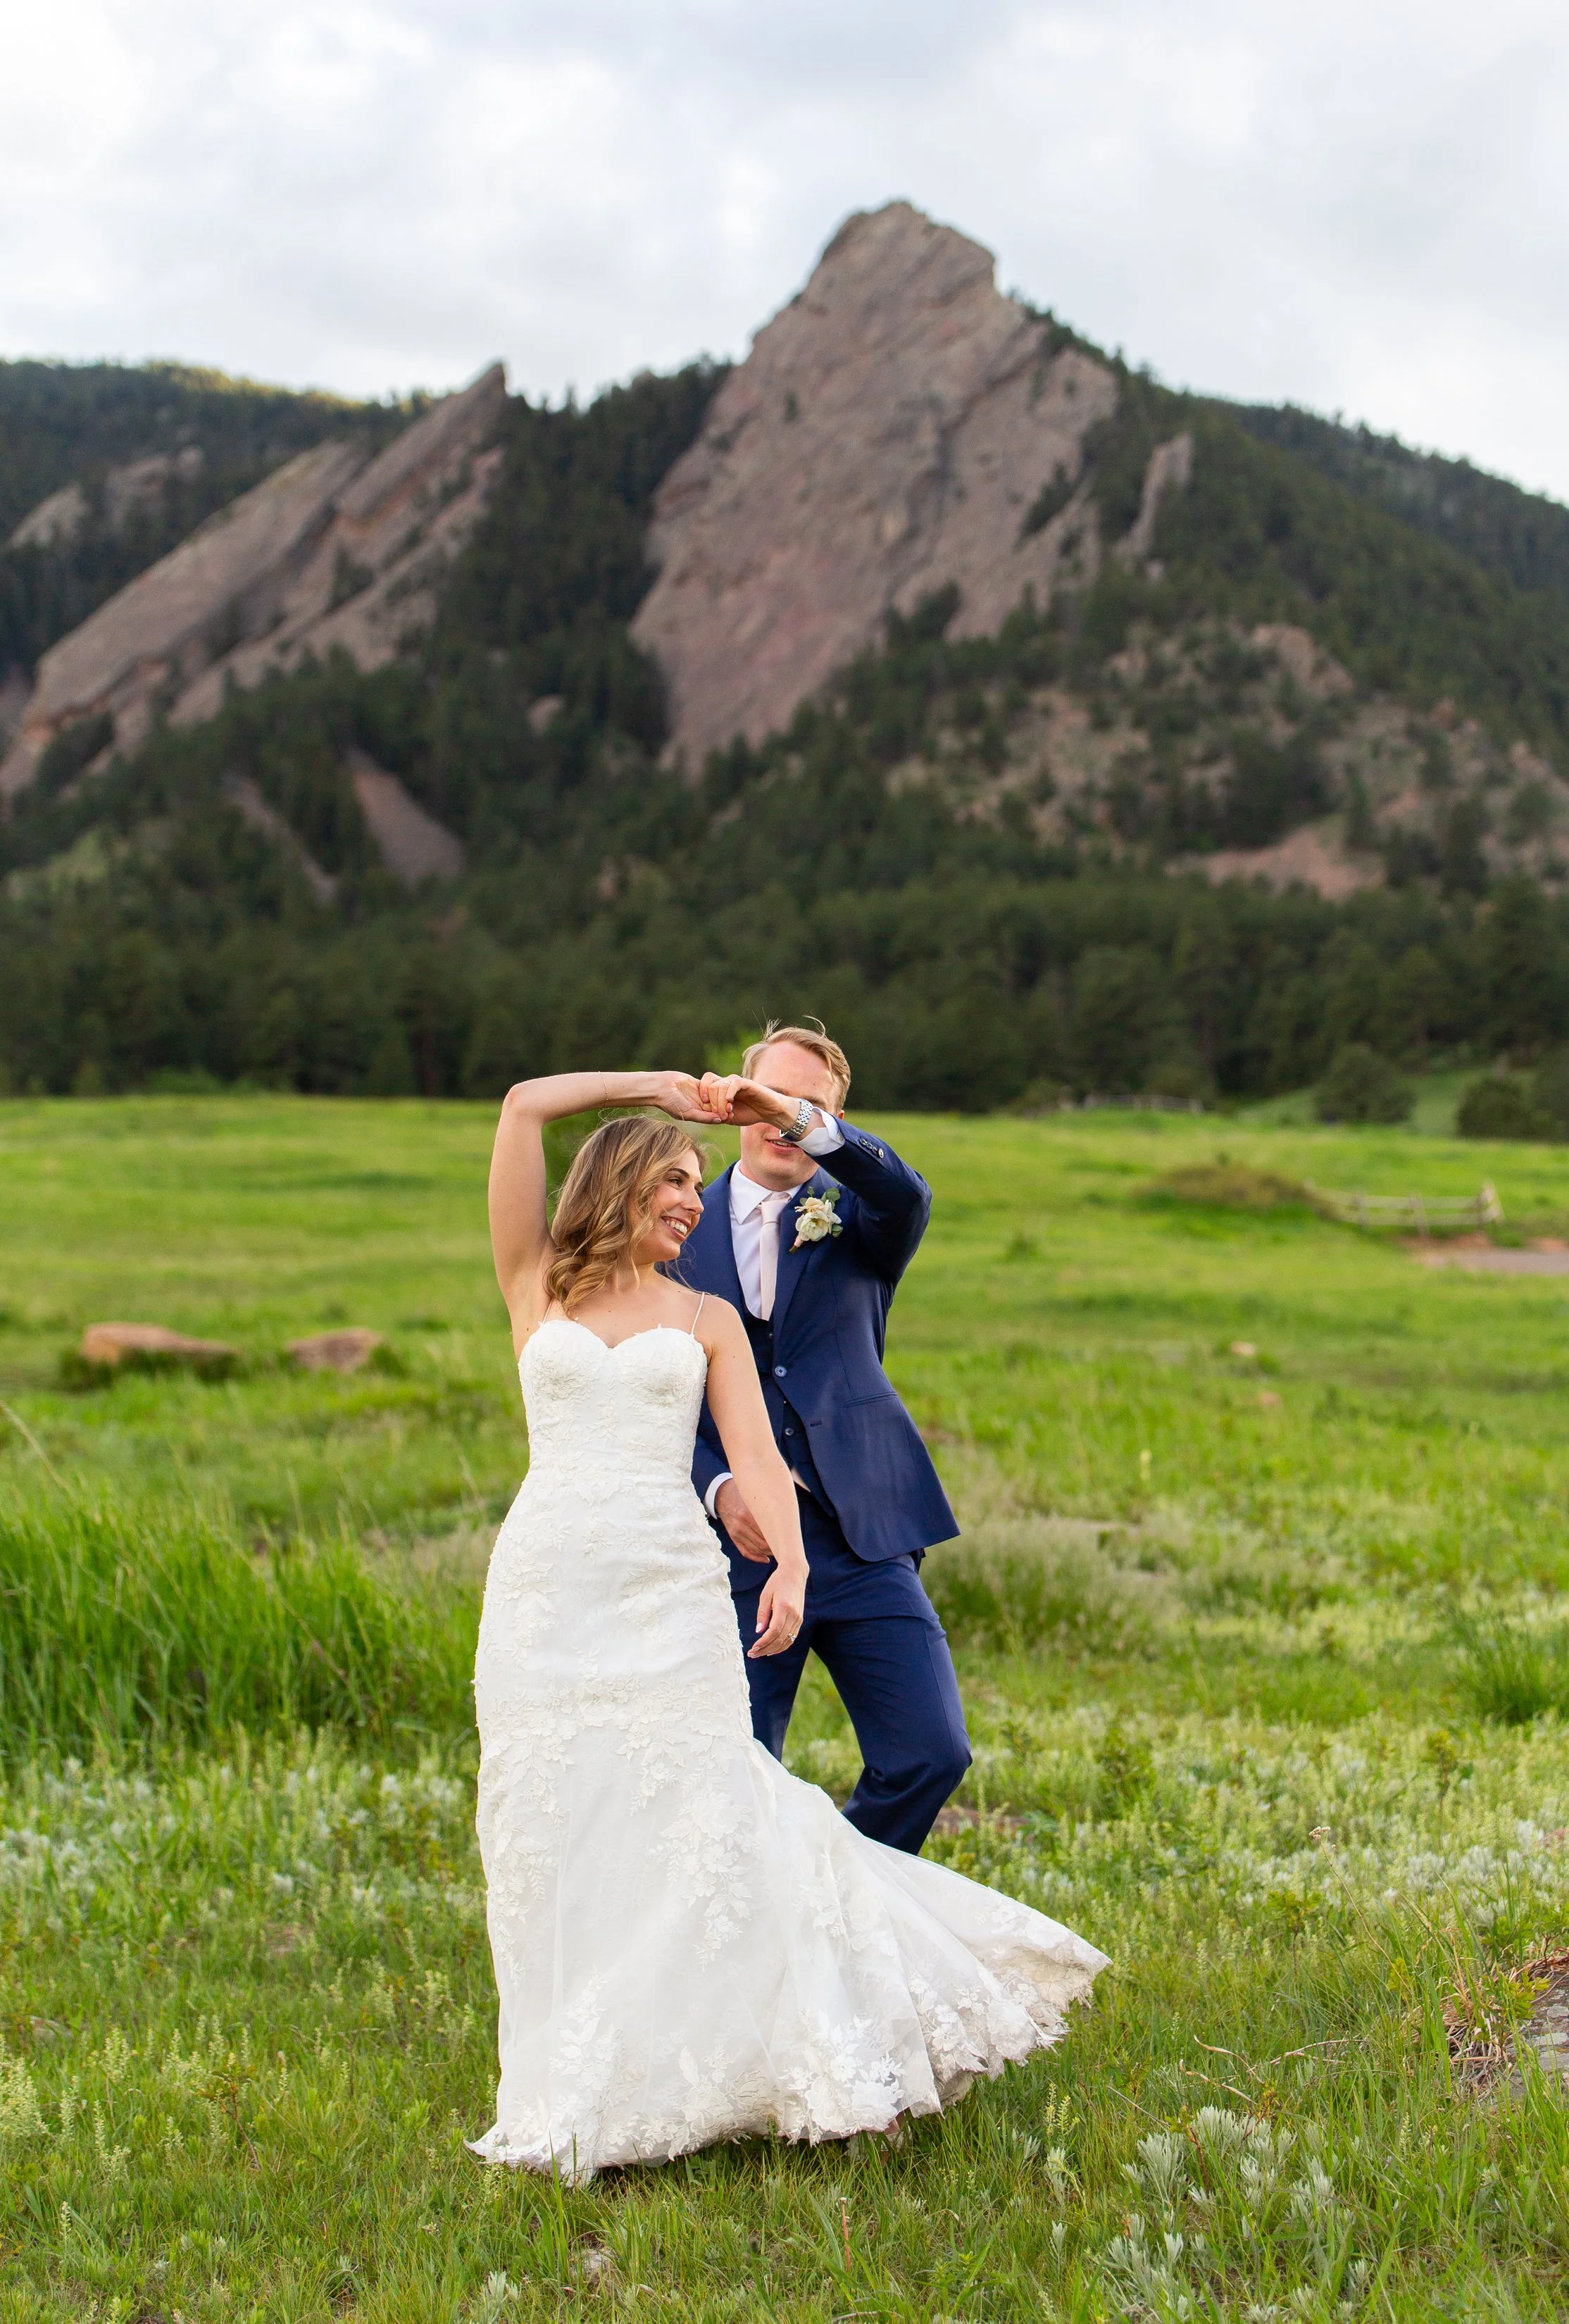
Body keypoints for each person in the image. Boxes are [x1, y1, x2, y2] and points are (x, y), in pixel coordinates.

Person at [468, 1068, 1107, 2180]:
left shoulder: (705, 1319)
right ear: (617, 1180)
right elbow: (524, 1105)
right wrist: (658, 1088)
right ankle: (573, 2070)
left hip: (671, 1585)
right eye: (673, 1181)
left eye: (696, 1185)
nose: (690, 1203)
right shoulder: (537, 1291)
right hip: (545, 1595)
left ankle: (817, 2002)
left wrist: (796, 1566)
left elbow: (757, 1454)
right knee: (554, 1826)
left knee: (713, 1805)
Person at [683, 1023, 968, 1853]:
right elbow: (649, 1382)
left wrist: (796, 1114)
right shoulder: (672, 1224)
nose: (780, 1121)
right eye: (766, 1097)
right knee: (734, 1767)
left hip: (862, 1531)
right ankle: (750, 1943)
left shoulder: (866, 1215)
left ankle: (850, 1903)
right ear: (732, 1100)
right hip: (730, 1544)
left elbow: (905, 1192)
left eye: (807, 1107)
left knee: (929, 1753)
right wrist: (716, 1484)